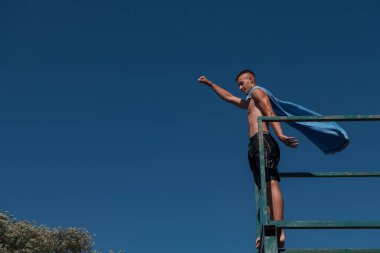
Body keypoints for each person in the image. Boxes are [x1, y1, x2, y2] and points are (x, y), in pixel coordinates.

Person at [198, 69, 299, 249]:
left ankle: (280, 230)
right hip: (253, 145)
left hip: (264, 140)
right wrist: (210, 84)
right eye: (238, 84)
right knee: (264, 189)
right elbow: (229, 98)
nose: (240, 87)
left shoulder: (258, 91)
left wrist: (281, 134)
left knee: (272, 182)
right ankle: (269, 230)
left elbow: (268, 110)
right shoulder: (250, 100)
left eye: (242, 83)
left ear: (251, 80)